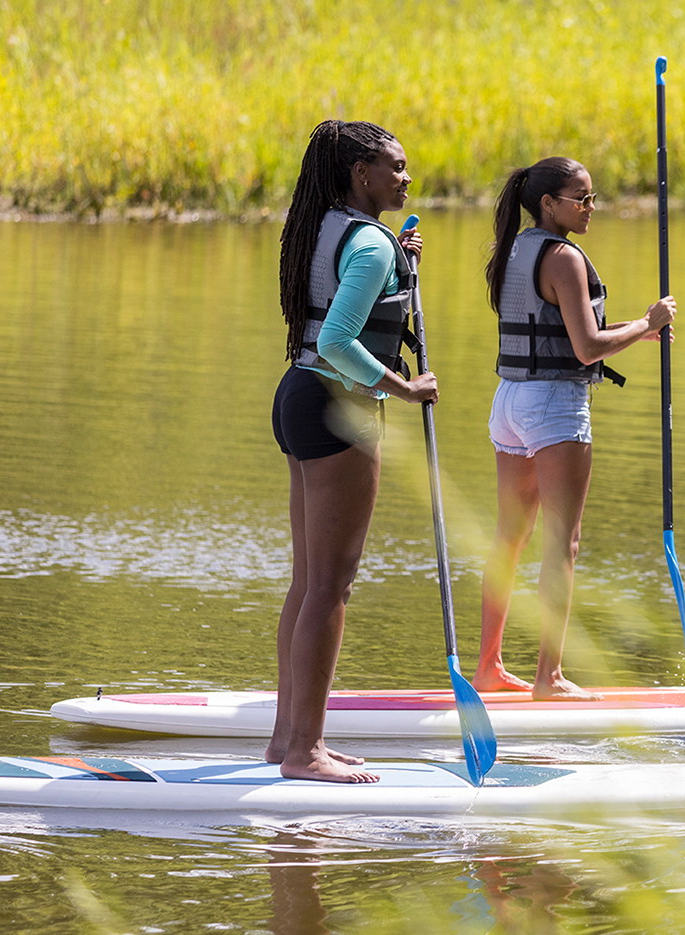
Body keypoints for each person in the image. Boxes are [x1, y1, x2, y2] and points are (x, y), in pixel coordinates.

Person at [265, 120, 436, 782]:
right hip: (338, 405)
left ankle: (288, 740)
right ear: (360, 173)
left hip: (299, 395)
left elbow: (353, 292)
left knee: (309, 581)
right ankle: (306, 752)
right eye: (394, 167)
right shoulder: (368, 243)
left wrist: (400, 251)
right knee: (330, 585)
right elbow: (340, 339)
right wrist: (406, 386)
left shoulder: (332, 226)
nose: (406, 176)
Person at [473, 157, 676, 700]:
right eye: (581, 198)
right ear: (549, 204)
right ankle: (550, 678)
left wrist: (635, 333)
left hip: (509, 401)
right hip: (554, 406)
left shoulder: (516, 247)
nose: (591, 208)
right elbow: (586, 348)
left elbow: (561, 327)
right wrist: (648, 322)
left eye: (592, 197)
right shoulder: (563, 256)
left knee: (509, 538)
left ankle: (488, 667)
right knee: (563, 544)